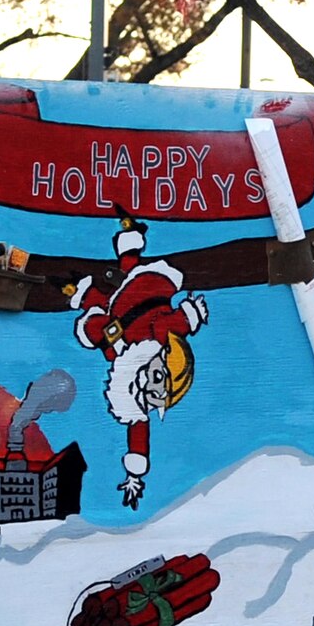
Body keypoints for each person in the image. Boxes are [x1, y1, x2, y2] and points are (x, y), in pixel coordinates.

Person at [68, 216, 209, 509]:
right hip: (148, 291)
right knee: (130, 271)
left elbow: (138, 428)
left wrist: (135, 475)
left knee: (99, 327)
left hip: (116, 314)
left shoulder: (123, 363)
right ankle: (129, 242)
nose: (152, 385)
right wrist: (190, 316)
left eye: (155, 393)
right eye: (160, 379)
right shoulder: (157, 337)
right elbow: (173, 326)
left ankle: (81, 292)